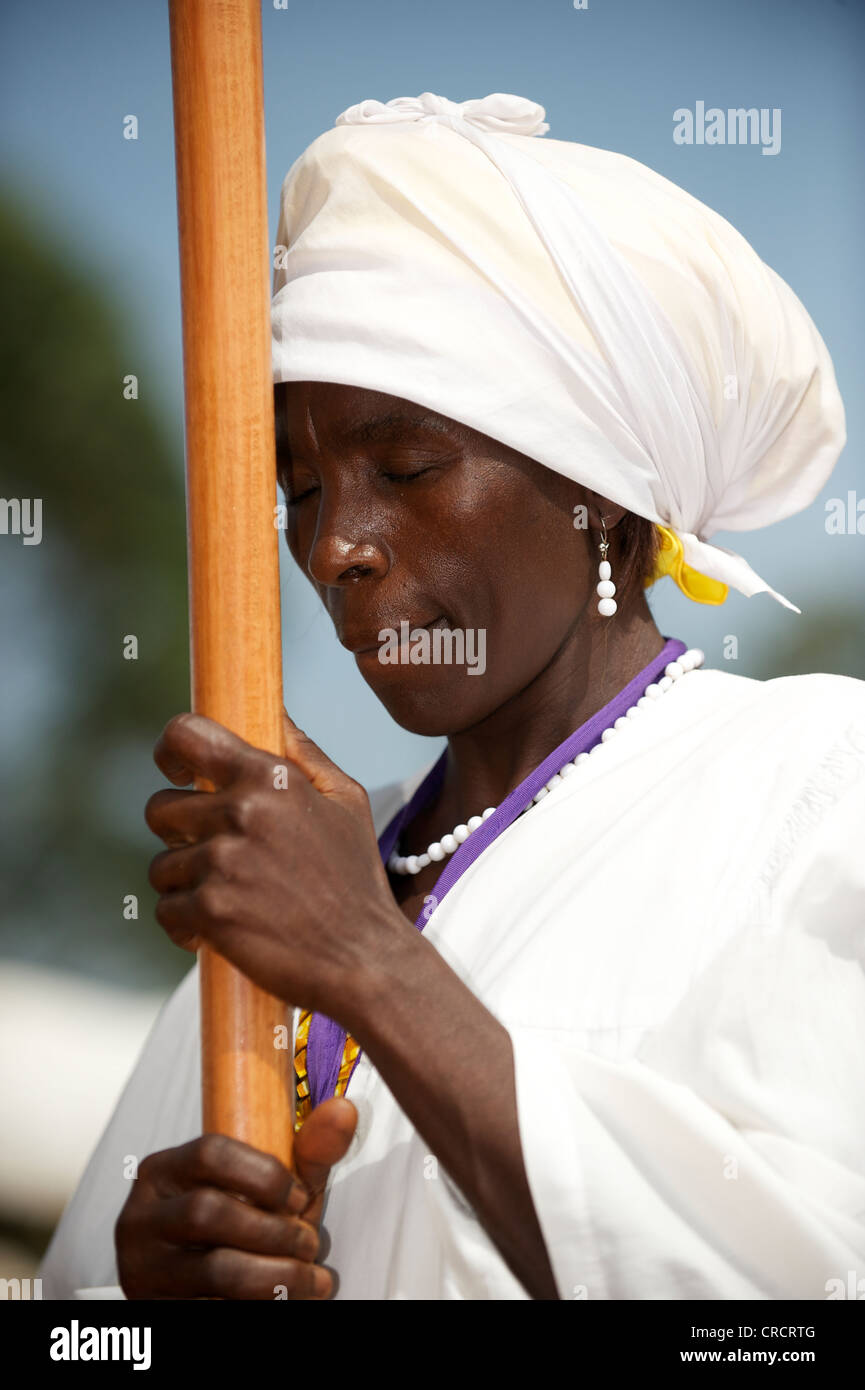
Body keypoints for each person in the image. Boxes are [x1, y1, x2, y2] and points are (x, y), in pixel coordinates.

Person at [39, 93, 864, 1301]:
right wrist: (138, 1307)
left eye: (406, 465)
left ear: (607, 498)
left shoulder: (811, 775)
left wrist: (369, 959)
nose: (333, 550)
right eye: (302, 488)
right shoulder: (293, 879)